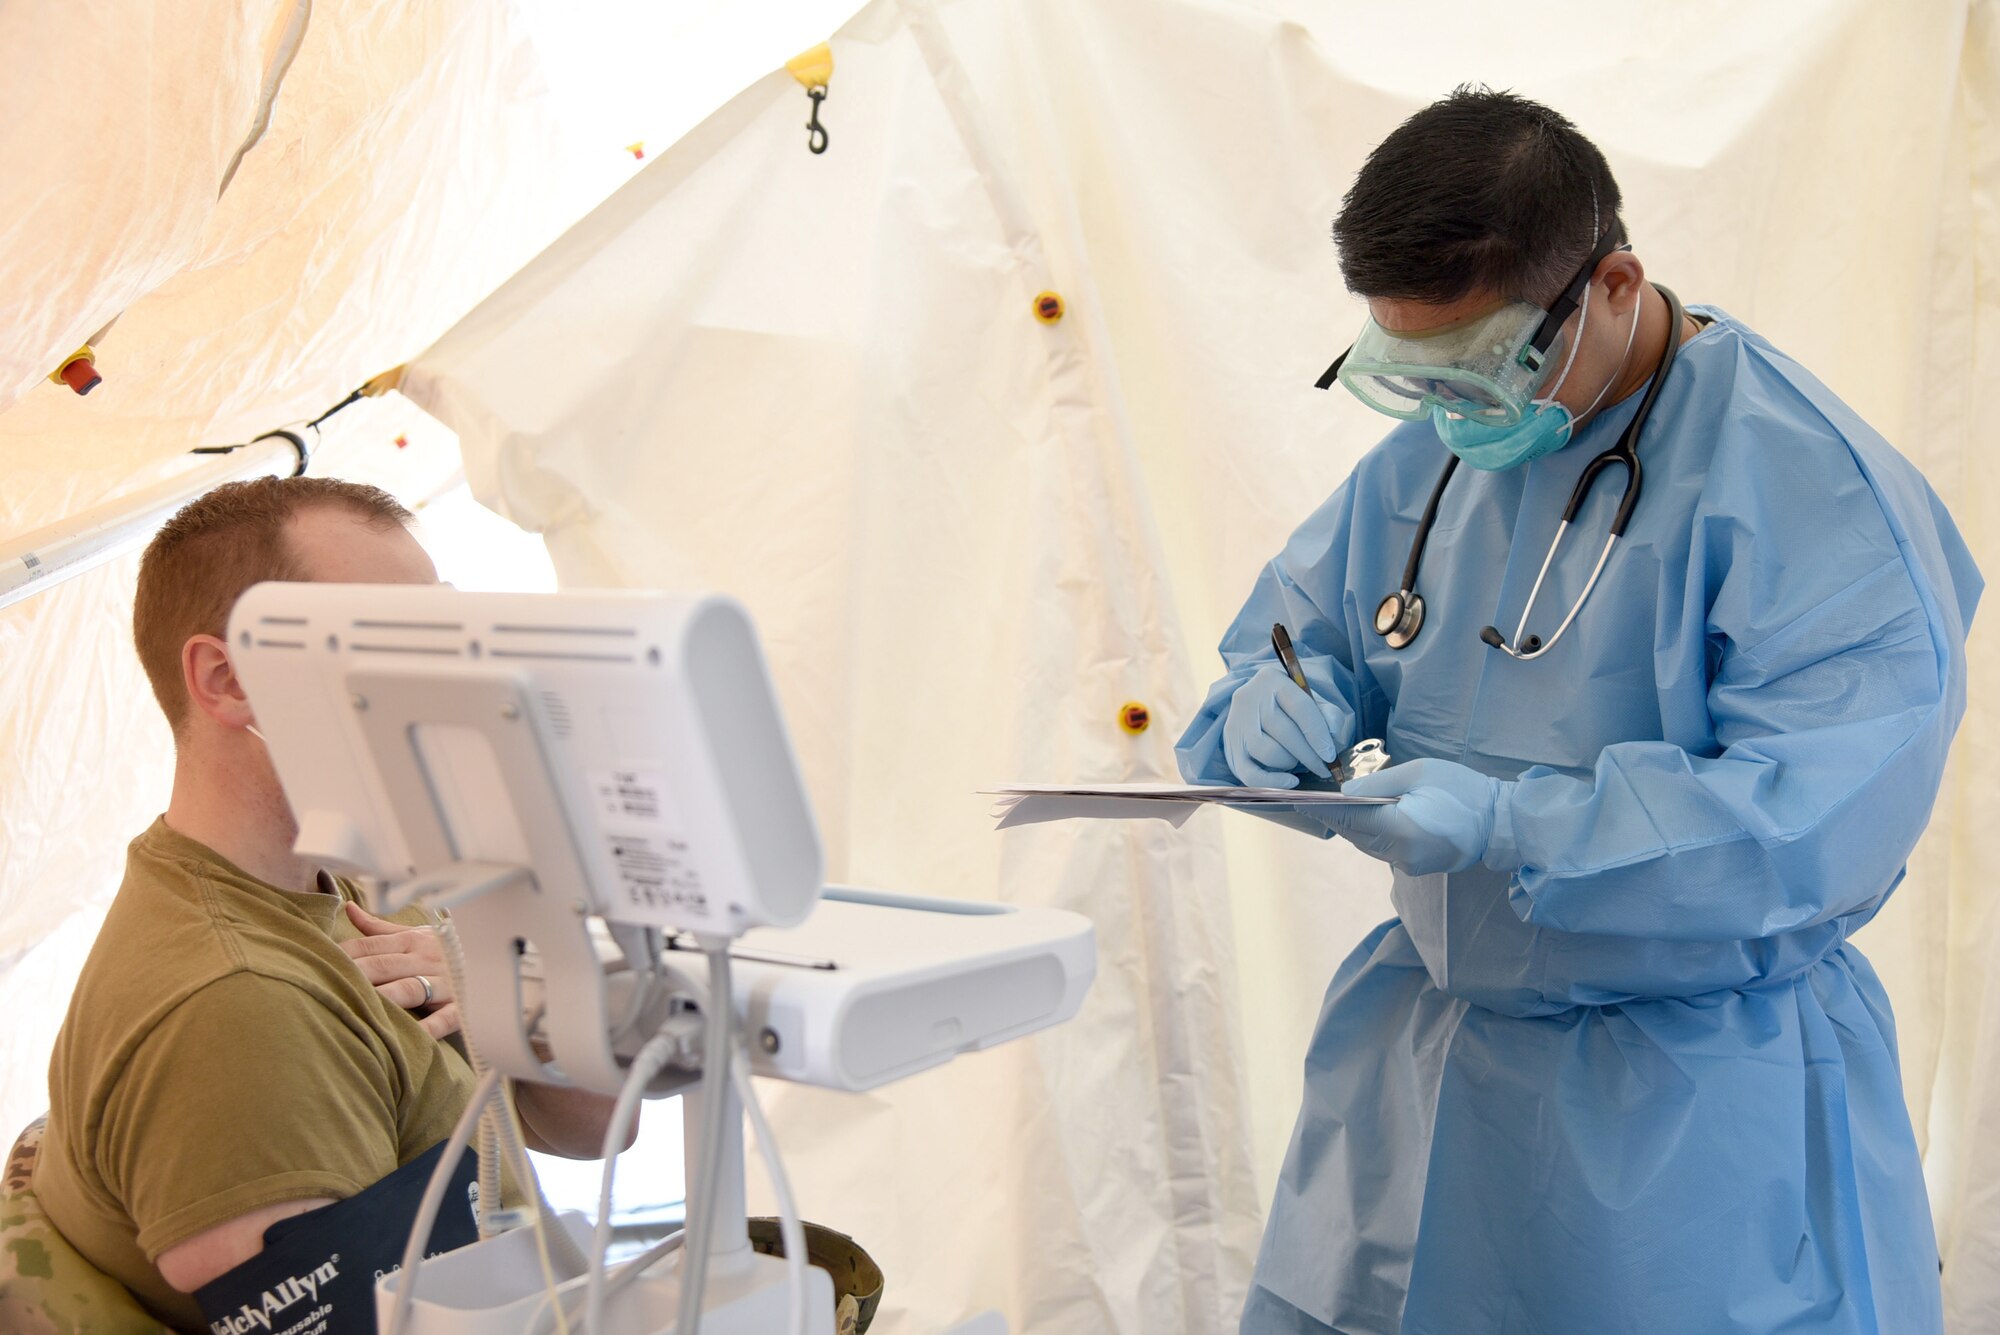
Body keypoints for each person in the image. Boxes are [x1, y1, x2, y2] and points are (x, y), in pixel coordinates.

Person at [1177, 88, 1980, 1335]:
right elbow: (1305, 634)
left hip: (1693, 1113)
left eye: (1485, 364)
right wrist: (1266, 711)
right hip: (1426, 1073)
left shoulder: (1811, 489)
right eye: (1413, 371)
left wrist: (1513, 827)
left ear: (1612, 281)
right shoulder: (1439, 452)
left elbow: (1815, 821)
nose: (1454, 410)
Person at [33, 477, 626, 1331]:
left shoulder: (359, 880)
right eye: (388, 641)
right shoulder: (237, 1010)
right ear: (229, 679)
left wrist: (527, 995)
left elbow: (598, 1127)